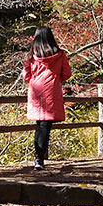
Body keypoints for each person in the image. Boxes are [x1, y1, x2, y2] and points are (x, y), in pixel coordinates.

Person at [22, 26, 72, 170]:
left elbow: (26, 75)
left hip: (36, 91)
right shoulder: (60, 54)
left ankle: (38, 157)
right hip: (52, 89)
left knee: (39, 125)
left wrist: (34, 79)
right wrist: (56, 79)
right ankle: (39, 158)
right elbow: (67, 73)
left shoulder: (31, 56)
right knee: (45, 125)